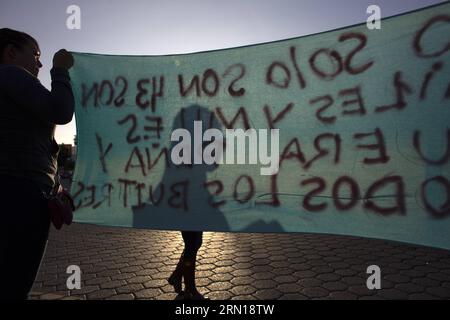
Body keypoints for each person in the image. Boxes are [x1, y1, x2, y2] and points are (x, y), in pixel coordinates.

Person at [0, 28, 74, 300]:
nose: (40, 63)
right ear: (10, 52)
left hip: (18, 190)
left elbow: (36, 146)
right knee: (14, 283)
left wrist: (56, 186)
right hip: (19, 195)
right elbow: (61, 110)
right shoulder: (9, 74)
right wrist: (60, 71)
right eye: (35, 54)